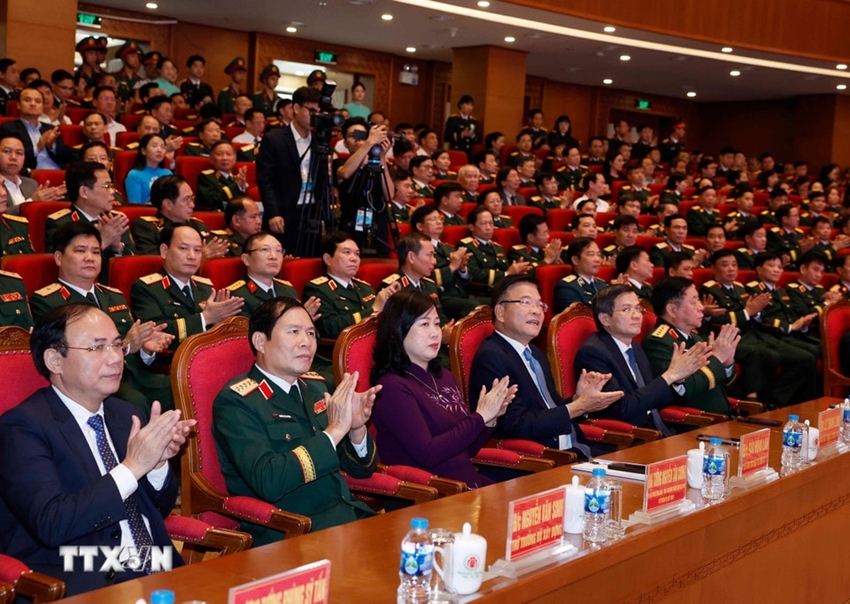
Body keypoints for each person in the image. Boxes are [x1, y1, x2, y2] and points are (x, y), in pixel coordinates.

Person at [0, 303, 193, 596]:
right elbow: (53, 523)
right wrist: (133, 466)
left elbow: (158, 509)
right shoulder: (21, 428)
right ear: (54, 360)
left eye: (117, 345)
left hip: (155, 565)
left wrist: (156, 465)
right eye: (97, 348)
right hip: (82, 574)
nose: (115, 358)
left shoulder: (126, 414)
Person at [213, 297, 380, 546]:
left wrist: (355, 429)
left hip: (346, 516)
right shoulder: (237, 401)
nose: (306, 342)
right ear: (260, 341)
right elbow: (268, 481)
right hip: (292, 531)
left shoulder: (315, 386)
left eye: (311, 333)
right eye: (294, 332)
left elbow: (361, 470)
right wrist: (335, 430)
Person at [371, 289, 515, 487]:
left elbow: (468, 449)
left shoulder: (444, 376)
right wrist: (480, 416)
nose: (435, 333)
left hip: (466, 484)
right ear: (398, 330)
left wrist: (490, 418)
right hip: (432, 493)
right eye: (424, 324)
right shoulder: (391, 387)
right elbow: (428, 453)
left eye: (437, 323)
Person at [469, 275, 622, 458]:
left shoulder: (534, 352)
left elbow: (549, 408)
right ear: (500, 312)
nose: (536, 311)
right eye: (526, 302)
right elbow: (515, 425)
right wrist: (578, 407)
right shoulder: (491, 357)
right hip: (541, 460)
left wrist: (578, 398)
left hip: (574, 449)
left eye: (540, 305)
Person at [575, 284, 711, 432]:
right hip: (630, 437)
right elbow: (622, 408)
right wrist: (670, 376)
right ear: (605, 319)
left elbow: (654, 396)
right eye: (626, 309)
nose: (637, 315)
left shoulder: (635, 346)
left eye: (638, 308)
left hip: (658, 428)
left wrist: (677, 380)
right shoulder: (593, 353)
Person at [130, 225, 244, 349]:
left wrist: (221, 324)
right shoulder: (146, 289)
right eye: (183, 248)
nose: (192, 256)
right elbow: (155, 333)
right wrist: (205, 318)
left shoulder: (206, 288)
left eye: (197, 250)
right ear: (164, 251)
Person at [642, 277, 738, 415]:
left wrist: (727, 364)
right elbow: (683, 391)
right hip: (698, 422)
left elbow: (723, 387)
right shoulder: (658, 342)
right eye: (693, 302)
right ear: (672, 310)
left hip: (722, 417)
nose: (701, 307)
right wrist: (718, 358)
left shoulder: (694, 337)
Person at [257, 86, 334, 255]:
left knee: (309, 260)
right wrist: (273, 213)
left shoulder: (319, 142)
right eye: (311, 111)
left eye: (318, 112)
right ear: (296, 108)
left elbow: (323, 182)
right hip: (284, 212)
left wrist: (324, 216)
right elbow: (265, 180)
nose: (315, 116)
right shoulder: (274, 139)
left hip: (312, 213)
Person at [45, 161, 136, 284]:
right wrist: (102, 241)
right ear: (84, 192)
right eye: (106, 186)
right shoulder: (60, 223)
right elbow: (60, 266)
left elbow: (134, 266)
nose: (112, 191)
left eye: (112, 186)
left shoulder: (115, 220)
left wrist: (118, 248)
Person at [302, 232, 400, 339]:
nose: (354, 258)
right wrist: (374, 309)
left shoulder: (366, 288)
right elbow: (331, 328)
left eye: (357, 254)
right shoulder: (317, 289)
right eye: (347, 252)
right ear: (327, 259)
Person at [130, 174, 224, 257]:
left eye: (192, 198)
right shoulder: (147, 227)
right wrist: (200, 256)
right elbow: (152, 263)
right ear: (168, 204)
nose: (192, 205)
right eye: (186, 199)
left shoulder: (199, 225)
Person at [0, 86, 72, 173]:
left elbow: (68, 157)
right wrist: (38, 147)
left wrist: (52, 146)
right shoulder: (8, 129)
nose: (33, 104)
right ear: (18, 105)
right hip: (30, 174)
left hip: (58, 173)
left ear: (42, 106)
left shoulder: (51, 128)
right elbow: (9, 158)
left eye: (38, 101)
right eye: (27, 100)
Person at [554, 237, 606, 312]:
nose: (598, 259)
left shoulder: (602, 284)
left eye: (599, 254)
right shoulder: (567, 287)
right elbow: (579, 316)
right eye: (591, 254)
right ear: (575, 260)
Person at [195, 141, 249, 211]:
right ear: (211, 159)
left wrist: (242, 188)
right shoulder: (206, 177)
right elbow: (212, 201)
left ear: (235, 158)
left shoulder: (236, 179)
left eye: (228, 154)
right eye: (219, 154)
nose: (224, 158)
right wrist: (236, 186)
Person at [124, 133, 172, 204]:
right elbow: (135, 206)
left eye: (162, 147)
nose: (159, 150)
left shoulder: (168, 174)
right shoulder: (134, 175)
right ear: (143, 151)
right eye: (154, 146)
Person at [443, 95, 478, 160]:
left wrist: (472, 135)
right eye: (467, 104)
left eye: (471, 105)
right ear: (461, 105)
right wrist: (461, 134)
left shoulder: (473, 121)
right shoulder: (453, 119)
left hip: (468, 152)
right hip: (456, 150)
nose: (469, 107)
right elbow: (447, 136)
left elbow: (477, 139)